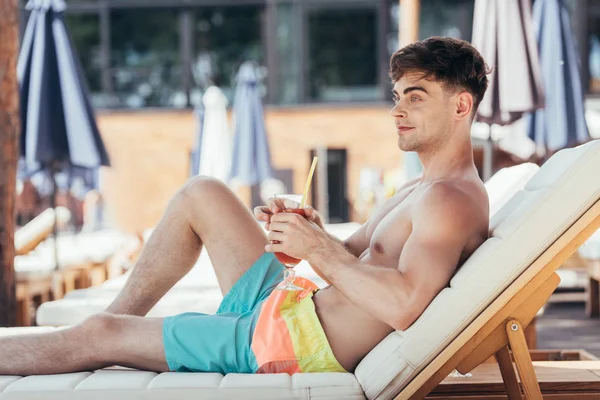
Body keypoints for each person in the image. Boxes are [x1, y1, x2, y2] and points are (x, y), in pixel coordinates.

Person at [0, 36, 491, 376]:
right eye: (397, 96)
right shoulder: (424, 187)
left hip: (289, 343)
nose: (397, 110)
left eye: (416, 97)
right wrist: (310, 231)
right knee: (203, 192)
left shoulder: (449, 200)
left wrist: (316, 249)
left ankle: (100, 338)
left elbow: (404, 307)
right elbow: (353, 257)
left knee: (99, 333)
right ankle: (109, 332)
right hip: (288, 307)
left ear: (461, 106)